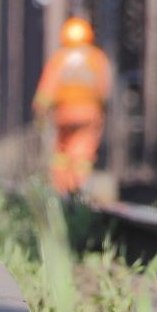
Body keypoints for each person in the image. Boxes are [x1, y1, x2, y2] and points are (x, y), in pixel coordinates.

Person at [33, 17, 111, 198]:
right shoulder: (96, 58)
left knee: (61, 152)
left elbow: (47, 90)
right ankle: (79, 186)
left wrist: (40, 112)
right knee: (83, 152)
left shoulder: (60, 59)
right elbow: (104, 90)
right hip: (89, 113)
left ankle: (62, 189)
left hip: (64, 113)